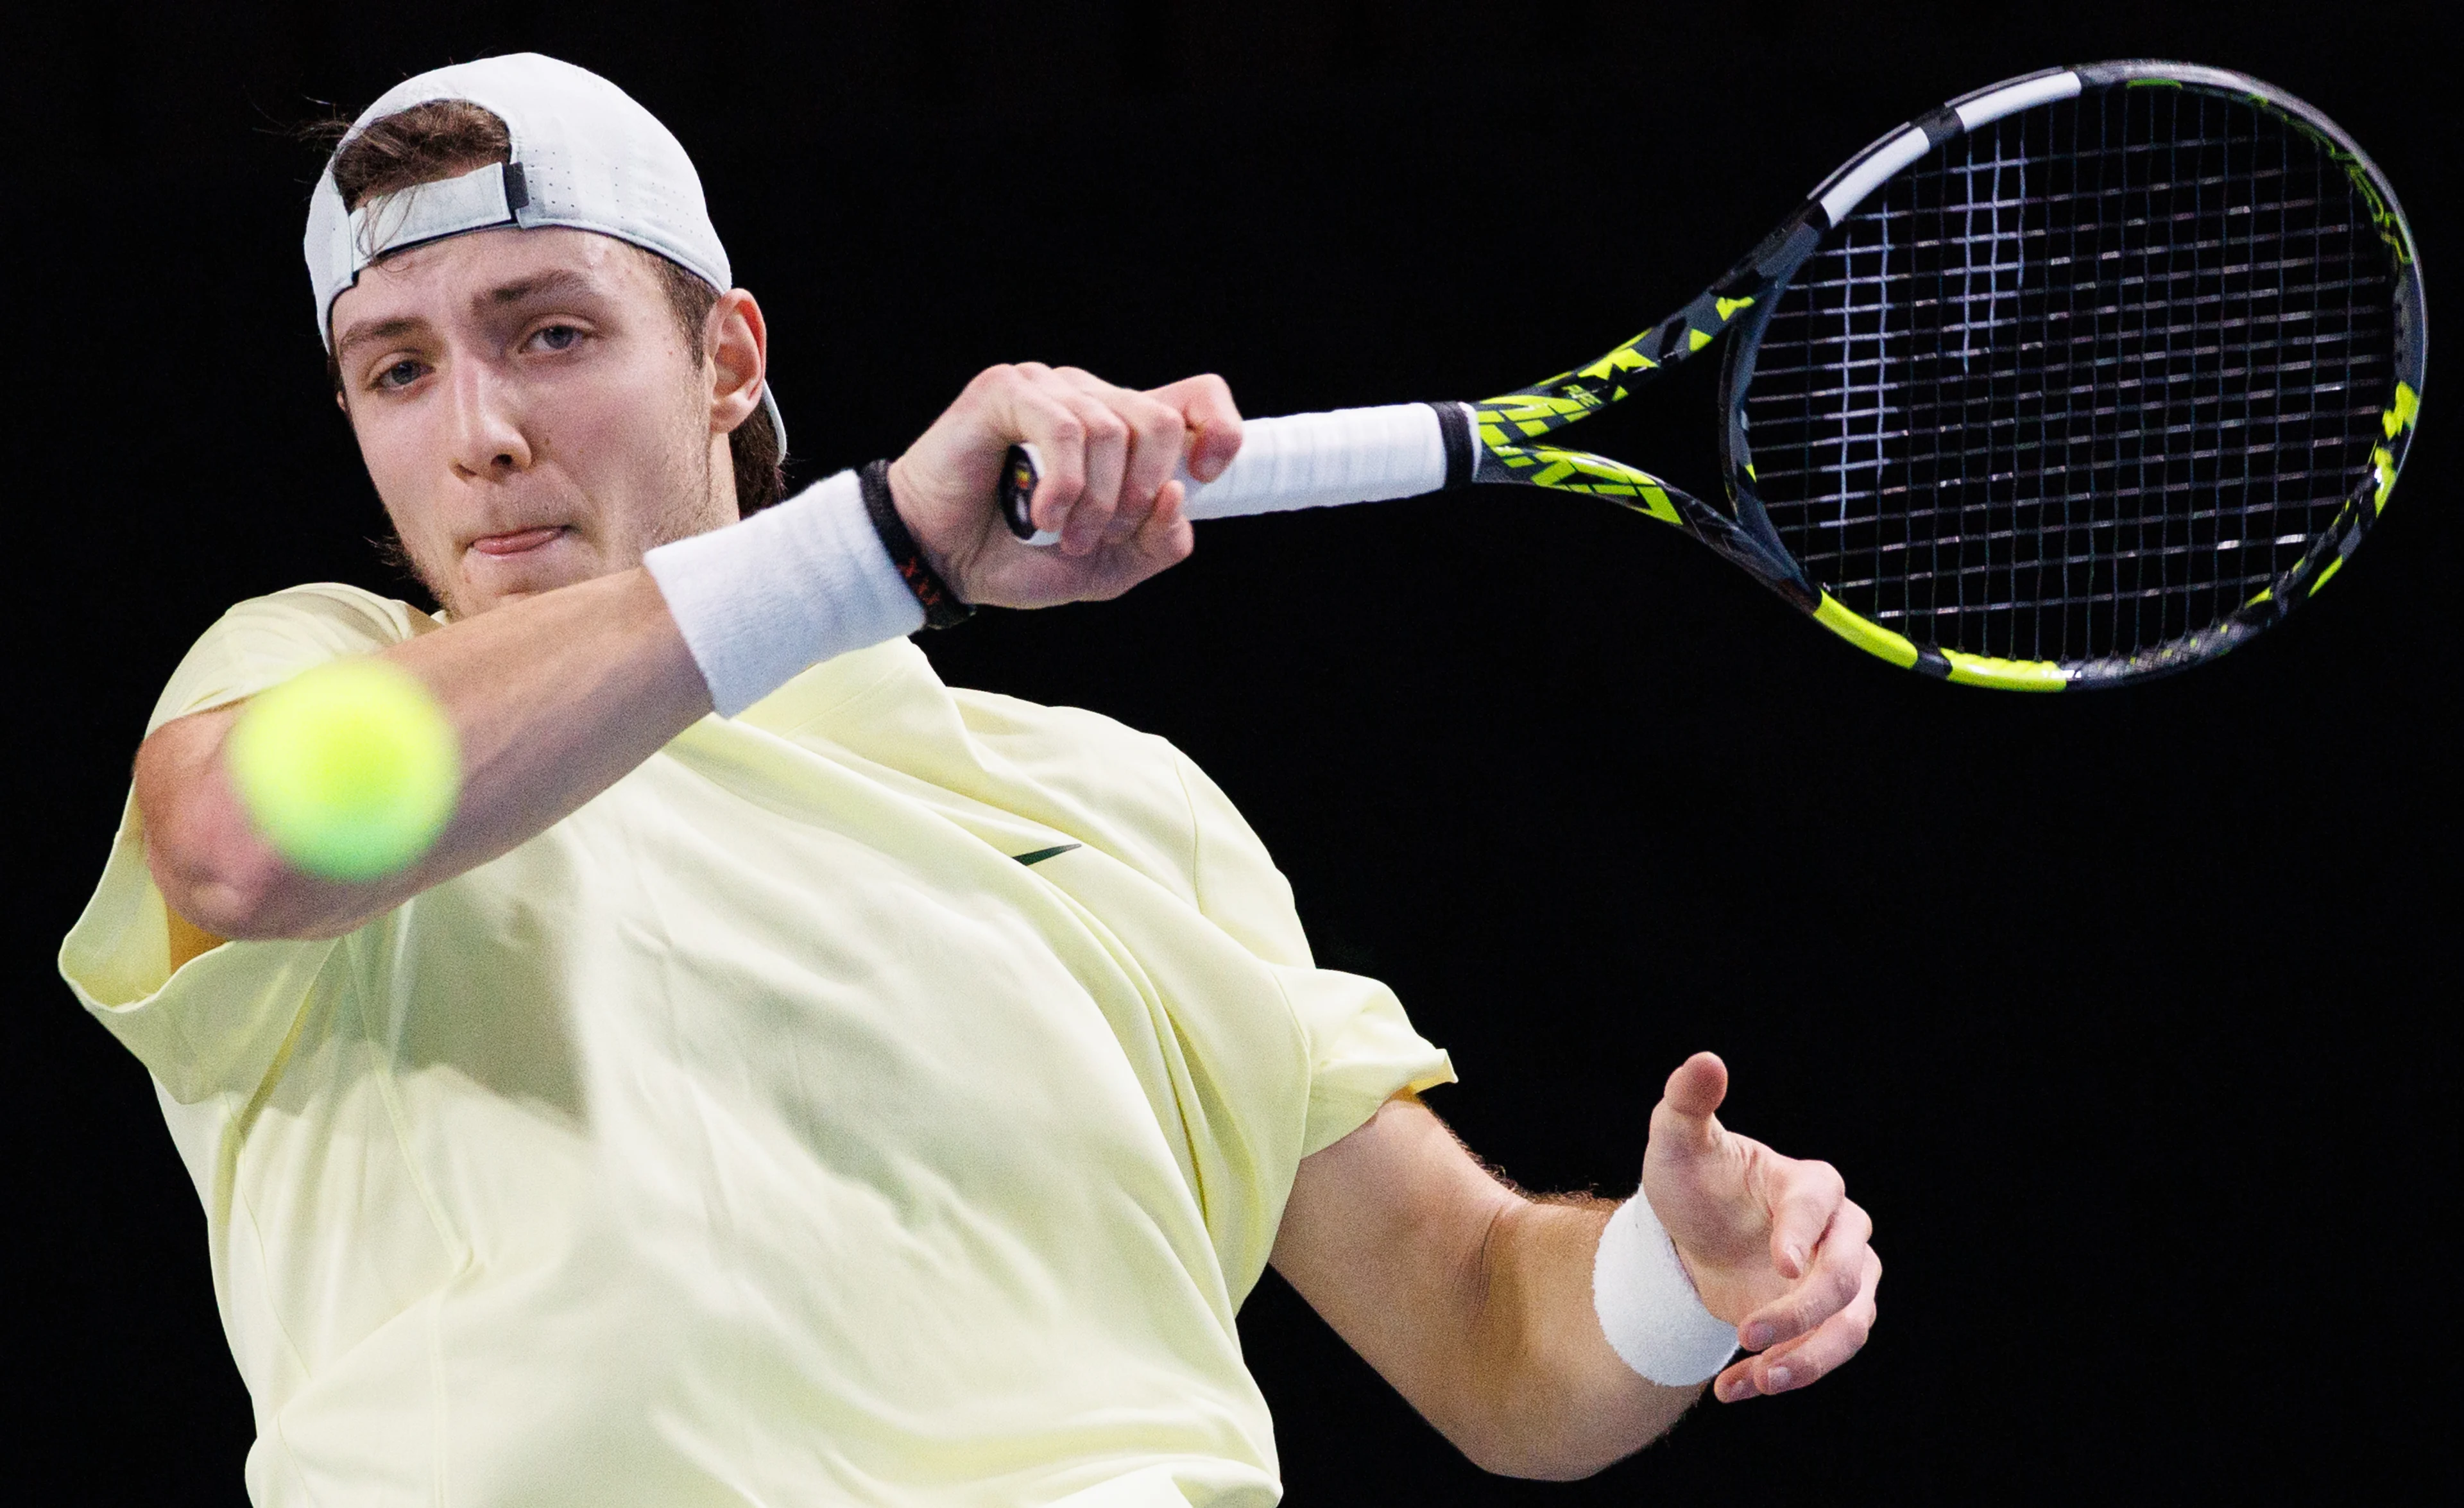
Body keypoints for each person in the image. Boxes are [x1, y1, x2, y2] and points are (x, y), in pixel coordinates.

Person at [60, 54, 1879, 1507]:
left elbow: (1488, 1338)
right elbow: (246, 839)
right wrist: (882, 546)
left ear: (726, 359)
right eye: (397, 370)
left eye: (550, 331)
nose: (480, 433)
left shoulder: (1118, 803)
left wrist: (1674, 1269)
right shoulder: (320, 679)